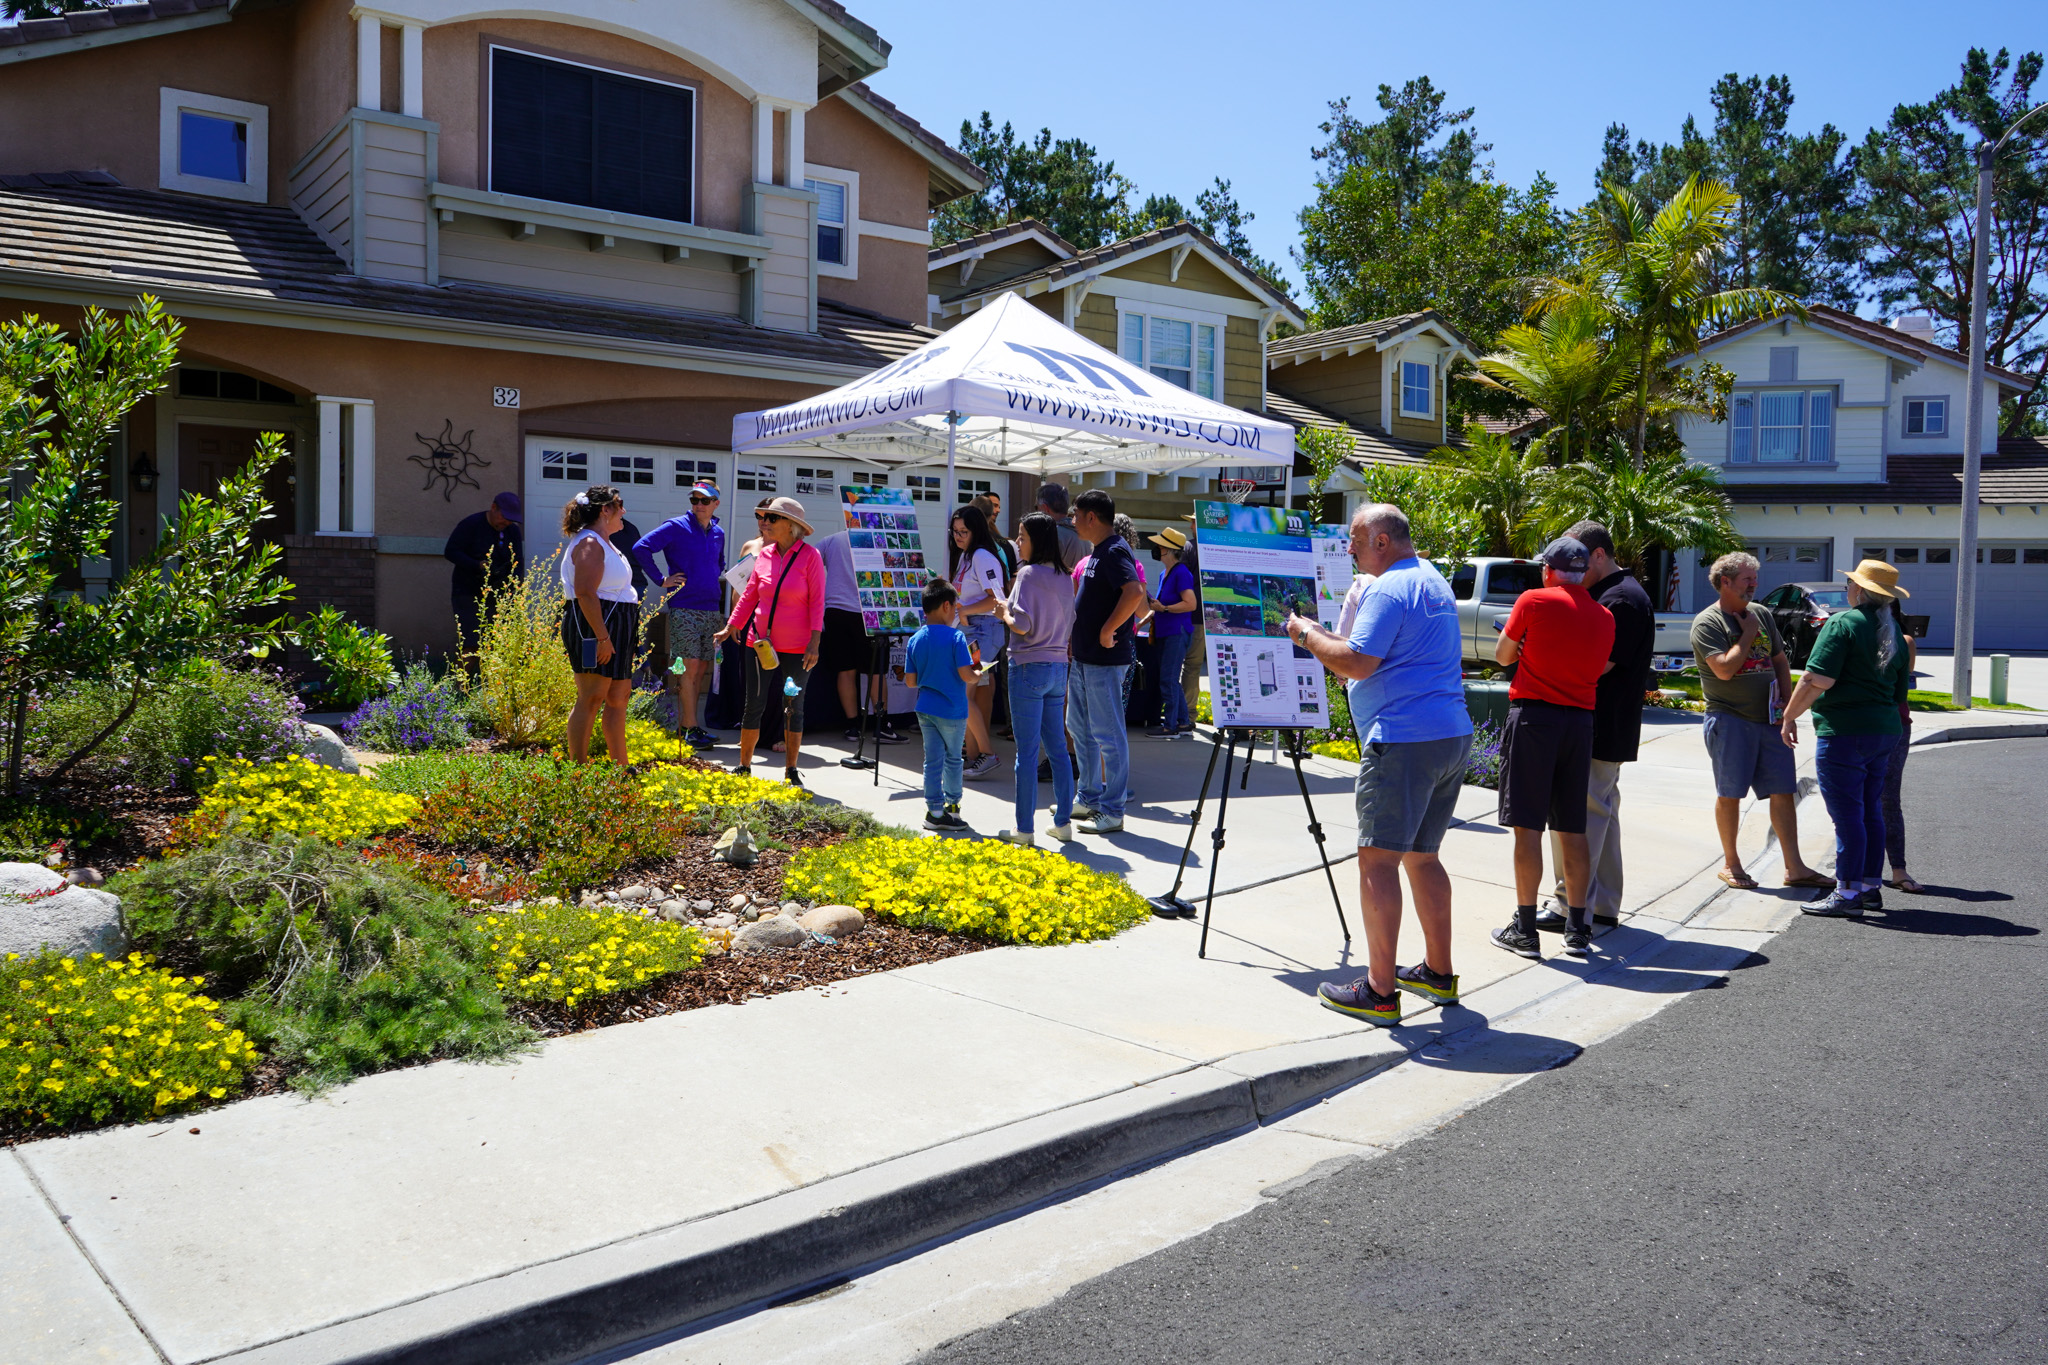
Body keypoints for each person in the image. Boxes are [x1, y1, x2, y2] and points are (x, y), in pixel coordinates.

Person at [1285, 504, 1473, 1026]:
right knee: (1423, 857)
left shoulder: (1389, 587)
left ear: (1383, 541)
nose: (1349, 549)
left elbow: (1354, 662)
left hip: (1405, 741)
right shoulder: (1430, 578)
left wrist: (1303, 633)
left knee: (1377, 862)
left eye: (1355, 539)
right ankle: (1437, 973)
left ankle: (1379, 990)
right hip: (1447, 734)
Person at [1486, 537, 1616, 963]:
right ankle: (1578, 929)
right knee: (1572, 829)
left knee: (1527, 827)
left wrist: (1525, 649)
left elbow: (1504, 656)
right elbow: (1593, 668)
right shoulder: (1604, 616)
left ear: (1548, 570)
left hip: (1534, 719)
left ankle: (1525, 930)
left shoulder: (1533, 601)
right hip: (1579, 723)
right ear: (1582, 573)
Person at [1535, 521, 1654, 934]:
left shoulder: (1619, 599)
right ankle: (1601, 905)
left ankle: (1570, 904)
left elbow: (1599, 665)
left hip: (1597, 722)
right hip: (1605, 723)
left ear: (1599, 555)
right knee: (1600, 813)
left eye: (1579, 559)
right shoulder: (1616, 594)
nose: (1573, 568)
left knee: (1577, 815)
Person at [1779, 560, 1913, 918]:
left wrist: (1789, 716)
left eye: (1851, 584)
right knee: (1870, 809)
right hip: (1885, 731)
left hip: (1845, 731)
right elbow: (1900, 693)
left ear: (1859, 591)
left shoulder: (1843, 623)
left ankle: (1848, 891)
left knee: (1847, 815)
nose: (1848, 589)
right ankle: (1870, 886)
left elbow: (1814, 680)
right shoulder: (1896, 635)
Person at [1691, 552, 1832, 891]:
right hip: (1730, 720)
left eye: (1754, 578)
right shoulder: (1708, 623)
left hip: (1769, 720)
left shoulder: (1761, 613)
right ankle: (1731, 863)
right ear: (1725, 582)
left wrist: (1788, 709)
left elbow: (1780, 661)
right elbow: (1724, 669)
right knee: (1731, 794)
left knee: (1783, 791)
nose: (1754, 585)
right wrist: (1748, 633)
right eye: (1747, 579)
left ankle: (1794, 867)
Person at [715, 496, 823, 786]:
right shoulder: (763, 555)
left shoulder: (810, 556)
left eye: (772, 518)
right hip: (759, 643)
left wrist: (815, 642)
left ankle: (790, 770)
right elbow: (750, 595)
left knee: (793, 706)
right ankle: (744, 766)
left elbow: (817, 602)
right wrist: (731, 626)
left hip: (799, 647)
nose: (765, 522)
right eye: (763, 517)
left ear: (792, 526)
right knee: (754, 705)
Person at [993, 513, 1076, 846]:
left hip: (1028, 667)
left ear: (1036, 540)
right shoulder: (1064, 576)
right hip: (1058, 668)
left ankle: (1024, 829)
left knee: (1026, 753)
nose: (1017, 541)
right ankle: (1063, 822)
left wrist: (1004, 612)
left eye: (1022, 535)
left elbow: (1022, 626)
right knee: (1057, 747)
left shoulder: (1027, 574)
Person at [1066, 489, 1144, 836]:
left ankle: (1112, 810)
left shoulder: (1114, 550)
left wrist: (1109, 628)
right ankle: (1089, 797)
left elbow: (1135, 592)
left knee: (1108, 735)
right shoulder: (1098, 551)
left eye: (1076, 515)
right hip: (1085, 659)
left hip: (1103, 661)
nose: (1072, 520)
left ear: (1091, 517)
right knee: (1080, 730)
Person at [631, 481, 726, 749]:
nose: (698, 505)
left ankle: (689, 726)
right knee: (690, 668)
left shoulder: (718, 532)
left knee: (700, 669)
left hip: (710, 608)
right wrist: (661, 579)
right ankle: (690, 727)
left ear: (715, 504)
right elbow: (641, 547)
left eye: (704, 501)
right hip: (684, 607)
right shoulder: (676, 526)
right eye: (694, 500)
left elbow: (719, 563)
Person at [558, 485, 638, 765]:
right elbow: (585, 593)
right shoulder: (589, 543)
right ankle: (577, 769)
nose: (624, 512)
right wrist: (603, 638)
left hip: (618, 622)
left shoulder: (605, 542)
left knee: (619, 696)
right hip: (595, 624)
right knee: (591, 697)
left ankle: (621, 767)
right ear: (606, 510)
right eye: (620, 505)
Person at [817, 527, 901, 746]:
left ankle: (852, 725)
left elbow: (812, 563)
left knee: (846, 671)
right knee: (876, 672)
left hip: (837, 609)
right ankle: (881, 726)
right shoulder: (883, 539)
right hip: (873, 610)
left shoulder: (831, 539)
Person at [905, 578, 976, 832]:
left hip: (925, 708)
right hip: (953, 711)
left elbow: (911, 682)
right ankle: (953, 809)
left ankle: (934, 810)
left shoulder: (915, 640)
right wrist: (977, 674)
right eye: (955, 606)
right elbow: (967, 675)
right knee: (954, 759)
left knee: (932, 760)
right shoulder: (956, 637)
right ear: (947, 606)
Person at [949, 504, 1009, 778]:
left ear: (977, 531)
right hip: (971, 632)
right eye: (955, 531)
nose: (958, 536)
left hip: (983, 632)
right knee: (966, 695)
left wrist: (963, 610)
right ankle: (975, 757)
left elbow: (996, 599)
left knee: (963, 694)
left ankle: (986, 754)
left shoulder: (983, 556)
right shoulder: (968, 555)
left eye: (964, 531)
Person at [444, 491, 523, 666]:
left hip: (499, 593)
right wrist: (477, 565)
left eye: (511, 519)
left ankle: (489, 686)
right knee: (471, 641)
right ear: (493, 508)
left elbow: (518, 562)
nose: (507, 522)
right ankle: (462, 687)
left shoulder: (512, 532)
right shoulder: (471, 524)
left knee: (497, 640)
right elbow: (450, 551)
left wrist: (516, 590)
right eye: (504, 517)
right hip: (467, 591)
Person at [1881, 600, 1924, 894]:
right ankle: (1854, 868)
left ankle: (1899, 869)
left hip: (1895, 725)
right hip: (1861, 724)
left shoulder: (1904, 640)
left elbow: (1901, 682)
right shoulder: (1854, 630)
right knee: (1856, 799)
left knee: (1888, 799)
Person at [1145, 527, 1198, 738]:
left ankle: (1170, 727)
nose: (1157, 549)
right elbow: (1159, 605)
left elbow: (1190, 604)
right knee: (1170, 679)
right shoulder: (1163, 574)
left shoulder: (1182, 573)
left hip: (1177, 632)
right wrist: (1141, 623)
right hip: (1166, 632)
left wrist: (1165, 609)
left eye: (1160, 546)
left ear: (1170, 550)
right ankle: (1183, 723)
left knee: (1167, 678)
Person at [1036, 481, 1089, 571]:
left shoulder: (1052, 535)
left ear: (1045, 508)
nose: (1035, 513)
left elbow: (1041, 573)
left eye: (1036, 507)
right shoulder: (1085, 535)